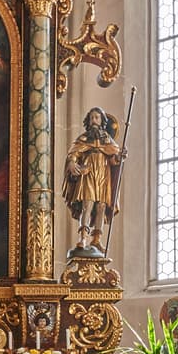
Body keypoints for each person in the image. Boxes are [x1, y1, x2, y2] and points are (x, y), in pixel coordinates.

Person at [62, 106, 121, 251]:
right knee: (87, 205)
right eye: (92, 117)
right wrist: (71, 163)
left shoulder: (108, 140)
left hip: (103, 173)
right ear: (88, 121)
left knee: (101, 205)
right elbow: (74, 154)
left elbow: (114, 160)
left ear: (102, 121)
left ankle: (96, 238)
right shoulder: (83, 138)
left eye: (97, 117)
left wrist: (119, 157)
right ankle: (82, 237)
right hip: (88, 172)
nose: (94, 120)